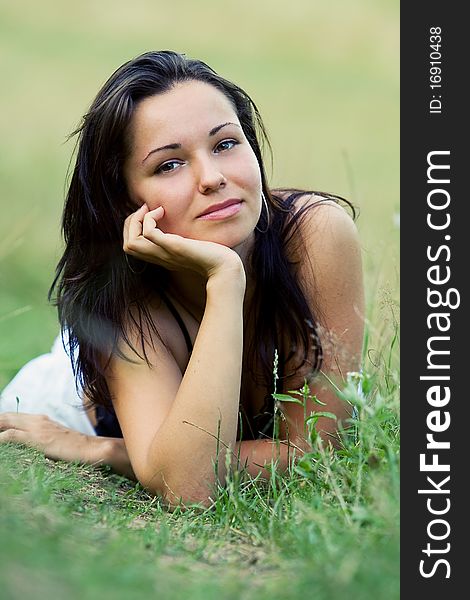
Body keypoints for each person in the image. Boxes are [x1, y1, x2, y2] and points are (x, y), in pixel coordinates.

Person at [0, 50, 364, 507]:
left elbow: (318, 454)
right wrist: (225, 280)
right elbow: (189, 488)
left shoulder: (315, 235)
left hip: (105, 441)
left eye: (226, 144)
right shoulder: (123, 301)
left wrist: (109, 453)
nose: (212, 178)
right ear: (128, 200)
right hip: (64, 411)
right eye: (169, 165)